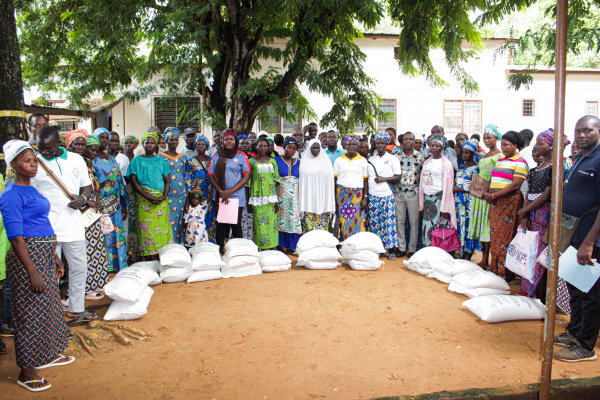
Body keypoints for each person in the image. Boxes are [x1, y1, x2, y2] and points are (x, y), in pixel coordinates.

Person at [0, 140, 74, 393]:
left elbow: (42, 222)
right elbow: (16, 237)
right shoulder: (10, 194)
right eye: (26, 161)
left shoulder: (32, 189)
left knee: (48, 307)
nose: (33, 165)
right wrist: (32, 271)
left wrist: (53, 255)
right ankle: (26, 370)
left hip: (43, 252)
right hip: (26, 257)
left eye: (34, 160)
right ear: (13, 165)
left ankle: (46, 354)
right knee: (28, 312)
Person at [32, 126, 97, 323]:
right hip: (47, 227)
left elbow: (86, 186)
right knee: (51, 272)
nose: (44, 152)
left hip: (73, 225)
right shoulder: (35, 163)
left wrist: (83, 199)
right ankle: (50, 315)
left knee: (79, 268)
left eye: (49, 148)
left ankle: (76, 309)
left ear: (59, 144)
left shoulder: (76, 159)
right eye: (40, 148)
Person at [553, 115, 600, 362]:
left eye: (588, 130)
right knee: (575, 286)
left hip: (591, 238)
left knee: (590, 292)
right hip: (574, 234)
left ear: (598, 131)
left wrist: (589, 242)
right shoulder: (581, 156)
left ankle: (585, 346)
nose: (582, 135)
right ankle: (574, 332)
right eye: (578, 131)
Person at [518, 129, 566, 299]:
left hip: (543, 214)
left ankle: (535, 292)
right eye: (536, 143)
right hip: (531, 212)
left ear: (552, 145)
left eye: (541, 144)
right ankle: (527, 288)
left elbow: (547, 195)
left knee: (540, 253)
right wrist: (524, 215)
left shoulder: (556, 167)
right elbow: (530, 191)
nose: (536, 147)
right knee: (529, 250)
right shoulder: (538, 166)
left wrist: (525, 210)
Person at [66, 131, 109, 299]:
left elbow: (92, 185)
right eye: (77, 144)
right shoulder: (68, 163)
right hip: (77, 210)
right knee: (79, 253)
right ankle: (75, 292)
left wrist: (96, 199)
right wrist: (85, 201)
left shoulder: (88, 163)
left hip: (90, 211)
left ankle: (91, 288)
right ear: (69, 144)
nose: (81, 148)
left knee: (95, 249)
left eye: (82, 144)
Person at [485, 131, 529, 280]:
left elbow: (515, 185)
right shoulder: (501, 160)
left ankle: (507, 272)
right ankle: (496, 268)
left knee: (507, 237)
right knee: (496, 235)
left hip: (509, 202)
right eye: (502, 144)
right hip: (496, 203)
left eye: (506, 145)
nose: (502, 148)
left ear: (515, 145)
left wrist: (493, 195)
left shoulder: (520, 163)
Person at [127, 132, 172, 260]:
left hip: (160, 201)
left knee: (162, 231)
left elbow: (167, 181)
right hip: (144, 199)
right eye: (147, 142)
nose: (150, 145)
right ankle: (146, 260)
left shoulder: (161, 161)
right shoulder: (137, 160)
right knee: (145, 232)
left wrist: (164, 196)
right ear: (143, 144)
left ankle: (160, 259)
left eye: (152, 142)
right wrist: (148, 197)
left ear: (156, 144)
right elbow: (134, 182)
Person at [91, 128, 128, 272]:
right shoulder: (92, 160)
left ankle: (119, 265)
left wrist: (123, 205)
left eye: (106, 137)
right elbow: (90, 183)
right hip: (100, 205)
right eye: (101, 137)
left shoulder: (112, 159)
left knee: (116, 232)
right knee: (103, 234)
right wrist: (102, 186)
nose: (104, 140)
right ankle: (105, 267)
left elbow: (120, 182)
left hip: (115, 205)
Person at [208, 130, 251, 252]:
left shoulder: (241, 156)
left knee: (236, 225)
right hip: (220, 196)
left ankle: (237, 251)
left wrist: (230, 191)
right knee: (221, 224)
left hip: (236, 196)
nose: (228, 141)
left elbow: (246, 176)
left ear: (235, 141)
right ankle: (220, 250)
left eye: (231, 139)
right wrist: (221, 191)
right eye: (226, 139)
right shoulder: (216, 155)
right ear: (222, 141)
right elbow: (211, 174)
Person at [468, 124, 503, 270]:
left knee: (486, 228)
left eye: (489, 138)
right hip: (479, 195)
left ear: (496, 137)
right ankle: (483, 259)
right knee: (481, 227)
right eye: (484, 138)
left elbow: (497, 176)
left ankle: (487, 260)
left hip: (488, 196)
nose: (487, 140)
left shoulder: (499, 156)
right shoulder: (485, 155)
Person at [367, 132, 401, 259]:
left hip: (387, 195)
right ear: (375, 144)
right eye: (378, 142)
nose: (380, 145)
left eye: (383, 142)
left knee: (389, 223)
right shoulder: (370, 160)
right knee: (375, 223)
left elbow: (398, 176)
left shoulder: (393, 159)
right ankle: (378, 249)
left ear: (387, 144)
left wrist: (383, 179)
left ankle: (391, 250)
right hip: (373, 195)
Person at [418, 136, 456, 246]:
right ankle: (428, 251)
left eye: (437, 145)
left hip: (439, 200)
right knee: (427, 226)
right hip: (427, 200)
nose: (434, 148)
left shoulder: (447, 163)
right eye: (432, 145)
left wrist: (445, 207)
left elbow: (448, 186)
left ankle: (438, 252)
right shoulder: (427, 162)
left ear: (442, 147)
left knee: (439, 229)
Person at [393, 132, 424, 258]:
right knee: (399, 221)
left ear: (414, 141)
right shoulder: (396, 156)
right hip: (399, 193)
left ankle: (412, 249)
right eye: (406, 139)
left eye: (411, 139)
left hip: (414, 194)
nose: (408, 141)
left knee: (414, 222)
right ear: (402, 141)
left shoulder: (420, 157)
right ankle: (401, 247)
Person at [333, 135, 369, 240]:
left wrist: (365, 197)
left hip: (357, 196)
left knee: (358, 222)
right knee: (343, 221)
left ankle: (357, 246)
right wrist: (333, 198)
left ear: (357, 146)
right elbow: (334, 181)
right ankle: (344, 246)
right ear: (345, 145)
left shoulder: (362, 160)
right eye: (349, 144)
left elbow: (365, 181)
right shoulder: (339, 160)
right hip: (342, 195)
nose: (351, 146)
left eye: (354, 144)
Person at [247, 138, 280, 249]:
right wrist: (248, 201)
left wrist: (278, 200)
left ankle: (272, 248)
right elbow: (248, 182)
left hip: (271, 197)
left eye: (265, 146)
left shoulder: (272, 161)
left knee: (271, 223)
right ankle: (260, 248)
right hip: (257, 196)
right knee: (259, 224)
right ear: (256, 147)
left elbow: (276, 181)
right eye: (260, 146)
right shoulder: (251, 161)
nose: (262, 148)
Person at [184, 135, 216, 242]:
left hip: (209, 194)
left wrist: (211, 195)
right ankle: (196, 244)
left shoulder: (212, 160)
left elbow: (214, 178)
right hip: (195, 196)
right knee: (196, 221)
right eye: (198, 144)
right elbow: (188, 179)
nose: (201, 146)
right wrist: (189, 199)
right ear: (195, 146)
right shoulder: (190, 161)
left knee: (209, 219)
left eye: (203, 144)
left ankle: (209, 243)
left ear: (207, 146)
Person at [299, 139, 336, 232]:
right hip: (308, 200)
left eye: (317, 148)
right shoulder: (304, 161)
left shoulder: (326, 161)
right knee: (309, 228)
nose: (316, 150)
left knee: (322, 230)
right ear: (309, 148)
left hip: (323, 200)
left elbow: (330, 182)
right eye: (313, 148)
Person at [159, 127, 187, 244]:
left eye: (176, 140)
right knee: (168, 221)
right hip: (168, 195)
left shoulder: (182, 158)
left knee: (181, 221)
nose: (174, 142)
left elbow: (184, 175)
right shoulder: (160, 157)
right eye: (171, 140)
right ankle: (169, 248)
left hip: (182, 195)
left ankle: (180, 250)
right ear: (166, 141)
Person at [453, 139, 480, 260]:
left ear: (473, 153)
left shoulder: (476, 168)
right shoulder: (461, 166)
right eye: (463, 152)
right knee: (460, 225)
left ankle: (468, 253)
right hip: (459, 202)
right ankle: (461, 250)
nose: (464, 155)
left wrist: (457, 189)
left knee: (469, 225)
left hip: (469, 201)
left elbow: (475, 187)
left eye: (467, 153)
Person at [275, 137, 302, 252]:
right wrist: (276, 197)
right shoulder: (276, 160)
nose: (291, 151)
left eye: (294, 149)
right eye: (289, 147)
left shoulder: (299, 163)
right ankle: (281, 245)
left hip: (295, 196)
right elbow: (275, 180)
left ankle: (292, 246)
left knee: (294, 219)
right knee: (281, 218)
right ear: (284, 147)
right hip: (281, 194)